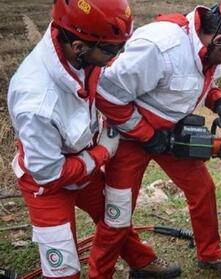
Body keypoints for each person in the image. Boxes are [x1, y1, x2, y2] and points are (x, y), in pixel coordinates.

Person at [94, 0, 221, 277]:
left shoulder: (210, 50)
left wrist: (219, 103)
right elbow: (106, 95)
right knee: (118, 212)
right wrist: (146, 135)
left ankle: (210, 254)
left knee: (202, 189)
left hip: (170, 135)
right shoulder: (160, 47)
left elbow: (206, 82)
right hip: (129, 135)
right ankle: (110, 271)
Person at [7, 0, 133, 278]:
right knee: (63, 271)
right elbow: (49, 174)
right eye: (113, 49)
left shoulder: (80, 53)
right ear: (79, 48)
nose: (118, 55)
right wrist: (102, 153)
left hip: (83, 165)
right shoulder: (37, 103)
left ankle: (142, 262)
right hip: (47, 184)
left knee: (117, 218)